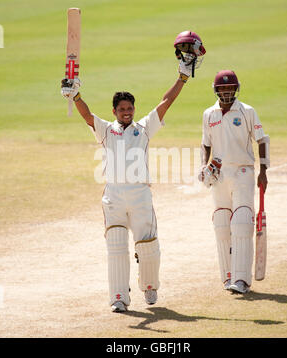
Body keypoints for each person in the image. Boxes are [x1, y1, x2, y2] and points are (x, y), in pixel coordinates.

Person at [61, 44, 205, 312]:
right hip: (113, 197)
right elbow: (87, 116)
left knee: (148, 248)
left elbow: (166, 102)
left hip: (140, 196)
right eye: (122, 109)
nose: (127, 112)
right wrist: (76, 95)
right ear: (115, 111)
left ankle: (149, 287)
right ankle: (119, 297)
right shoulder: (106, 130)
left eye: (130, 108)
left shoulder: (144, 128)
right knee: (116, 247)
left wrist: (182, 77)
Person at [198, 70, 270, 294]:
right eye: (223, 88)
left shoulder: (247, 111)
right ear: (216, 89)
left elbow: (262, 140)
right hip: (219, 174)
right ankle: (227, 276)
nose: (227, 91)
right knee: (221, 223)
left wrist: (263, 171)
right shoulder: (209, 114)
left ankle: (242, 280)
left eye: (230, 88)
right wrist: (204, 165)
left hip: (243, 172)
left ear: (236, 89)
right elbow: (205, 144)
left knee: (241, 222)